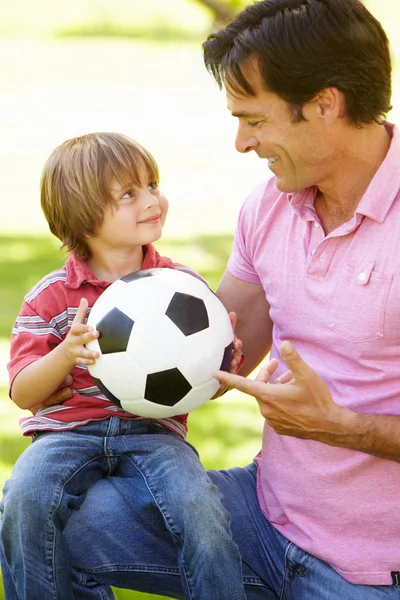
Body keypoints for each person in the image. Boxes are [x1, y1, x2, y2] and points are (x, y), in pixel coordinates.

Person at [3, 0, 400, 598]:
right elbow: (211, 355)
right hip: (266, 516)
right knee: (39, 516)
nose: (241, 143)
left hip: (370, 564)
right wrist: (94, 351)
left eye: (255, 120)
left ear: (325, 103)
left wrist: (344, 427)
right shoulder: (270, 207)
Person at [0, 132, 247, 600]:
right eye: (129, 194)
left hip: (155, 435)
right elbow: (24, 392)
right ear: (83, 213)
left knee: (202, 511)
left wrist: (220, 363)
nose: (152, 200)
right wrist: (65, 353)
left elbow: (203, 386)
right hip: (67, 435)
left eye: (152, 185)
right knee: (24, 501)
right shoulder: (52, 295)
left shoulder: (183, 286)